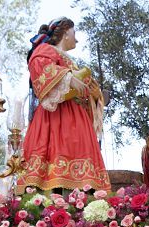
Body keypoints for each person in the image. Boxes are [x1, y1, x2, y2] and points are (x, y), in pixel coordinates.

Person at [18, 17, 110, 193]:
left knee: (84, 178)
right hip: (56, 119)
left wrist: (95, 95)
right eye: (74, 32)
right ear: (66, 32)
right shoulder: (46, 50)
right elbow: (39, 67)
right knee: (54, 171)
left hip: (77, 122)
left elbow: (85, 91)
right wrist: (68, 78)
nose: (76, 38)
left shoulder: (71, 61)